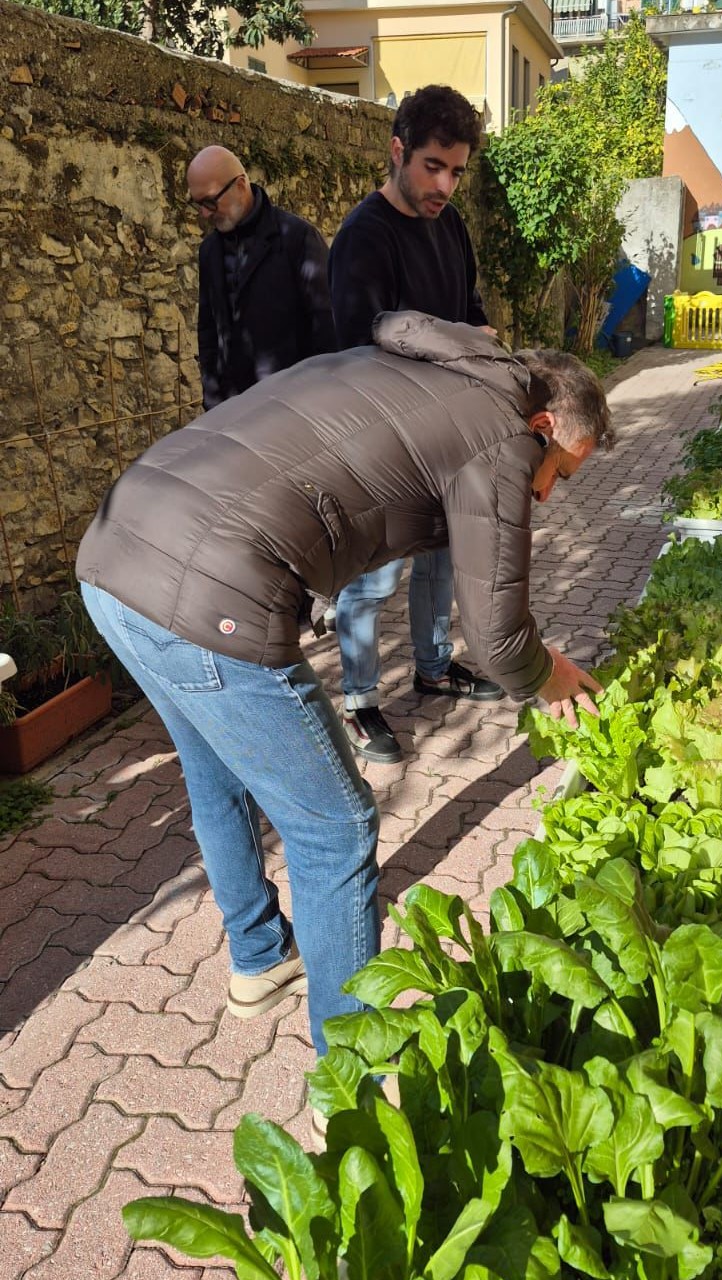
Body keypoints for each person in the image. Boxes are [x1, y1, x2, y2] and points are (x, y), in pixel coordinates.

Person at [75, 311, 613, 1058]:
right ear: (544, 423)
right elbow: (496, 637)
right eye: (560, 471)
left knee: (217, 773)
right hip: (206, 593)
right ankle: (350, 1080)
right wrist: (556, 678)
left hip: (114, 555)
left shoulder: (445, 369)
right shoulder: (503, 435)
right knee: (336, 826)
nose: (549, 493)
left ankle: (261, 959)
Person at [326, 85, 502, 766]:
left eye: (457, 172)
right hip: (382, 441)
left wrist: (477, 336)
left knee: (439, 559)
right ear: (397, 150)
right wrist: (457, 341)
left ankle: (433, 668)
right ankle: (360, 703)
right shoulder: (362, 238)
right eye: (433, 166)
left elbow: (469, 302)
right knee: (372, 579)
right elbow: (357, 348)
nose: (445, 185)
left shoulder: (449, 225)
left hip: (446, 433)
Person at [186, 145, 336, 409]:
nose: (205, 214)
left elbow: (328, 331)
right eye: (199, 205)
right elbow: (209, 331)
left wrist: (314, 403)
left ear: (241, 185)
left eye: (210, 201)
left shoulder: (298, 240)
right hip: (231, 413)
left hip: (292, 409)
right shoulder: (209, 252)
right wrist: (212, 398)